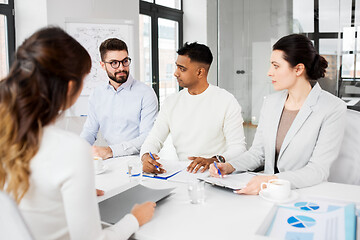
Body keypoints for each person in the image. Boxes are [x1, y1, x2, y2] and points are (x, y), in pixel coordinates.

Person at [0, 27, 155, 240]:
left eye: (125, 61)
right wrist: (134, 219)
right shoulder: (71, 150)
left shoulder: (7, 136)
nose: (121, 67)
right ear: (71, 86)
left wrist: (73, 191)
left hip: (133, 166)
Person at [209, 34, 346, 194]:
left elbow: (317, 170)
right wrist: (230, 166)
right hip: (266, 193)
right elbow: (257, 153)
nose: (269, 72)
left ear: (298, 69)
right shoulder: (271, 103)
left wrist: (271, 181)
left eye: (276, 66)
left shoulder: (333, 108)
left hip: (303, 194)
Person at [141, 42, 246, 174]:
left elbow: (238, 148)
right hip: (184, 174)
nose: (175, 73)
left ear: (200, 72)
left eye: (182, 69)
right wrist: (146, 157)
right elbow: (154, 139)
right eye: (176, 67)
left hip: (217, 174)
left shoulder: (226, 101)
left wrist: (215, 159)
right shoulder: (171, 102)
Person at [80, 38, 158, 159]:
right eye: (114, 63)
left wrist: (110, 151)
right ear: (102, 65)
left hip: (139, 161)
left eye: (125, 61)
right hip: (109, 162)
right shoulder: (97, 94)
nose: (121, 68)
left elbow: (148, 137)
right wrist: (79, 149)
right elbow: (90, 131)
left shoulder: (146, 93)